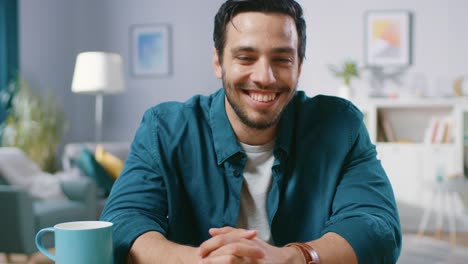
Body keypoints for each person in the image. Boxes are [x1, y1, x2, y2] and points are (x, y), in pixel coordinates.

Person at [101, 0, 402, 263]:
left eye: (282, 59)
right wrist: (196, 262)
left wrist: (294, 258)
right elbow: (124, 223)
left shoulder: (341, 125)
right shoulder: (163, 128)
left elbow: (377, 227)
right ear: (218, 62)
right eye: (245, 57)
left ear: (299, 66)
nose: (264, 77)